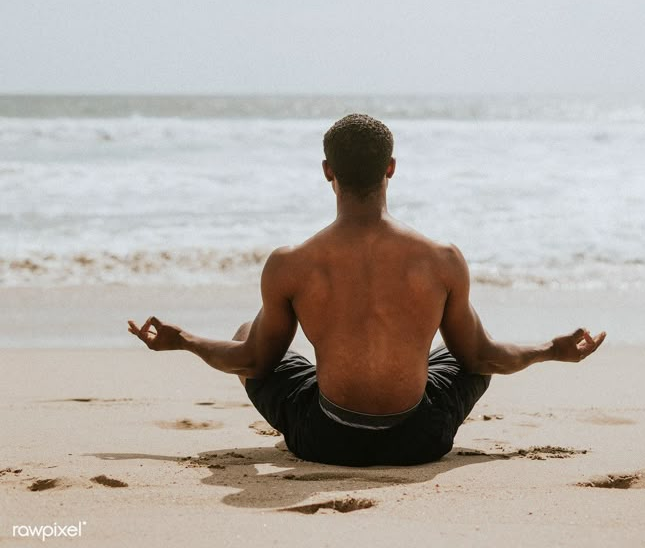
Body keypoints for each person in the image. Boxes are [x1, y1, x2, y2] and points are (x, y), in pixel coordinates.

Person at [129, 113, 605, 466]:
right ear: (391, 168)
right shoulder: (442, 260)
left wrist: (184, 341)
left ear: (327, 171)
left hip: (326, 441)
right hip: (421, 441)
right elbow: (483, 359)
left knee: (246, 334)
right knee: (466, 349)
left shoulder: (291, 264)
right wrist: (550, 349)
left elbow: (253, 362)